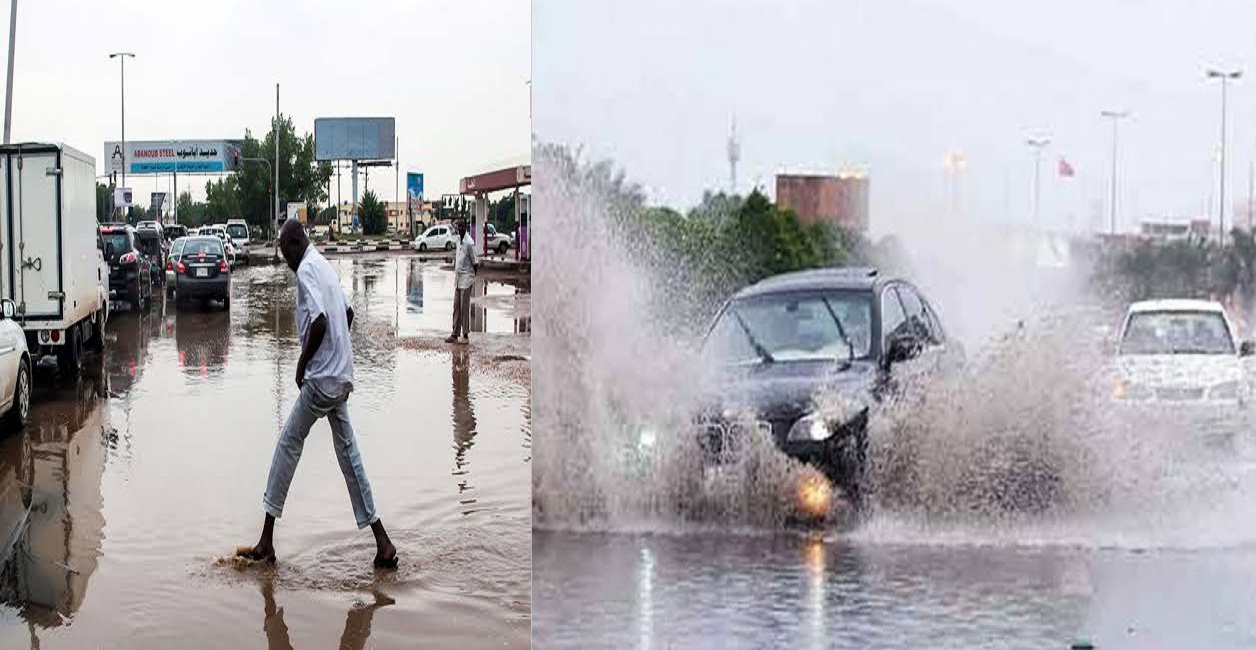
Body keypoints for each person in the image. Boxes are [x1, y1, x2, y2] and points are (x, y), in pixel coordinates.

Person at [239, 218, 398, 569]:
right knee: (349, 456)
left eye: (284, 252)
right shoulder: (323, 265)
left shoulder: (307, 270)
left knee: (287, 445)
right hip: (339, 378)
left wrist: (303, 364)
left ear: (295, 244)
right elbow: (349, 312)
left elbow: (322, 321)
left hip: (320, 381)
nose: (284, 260)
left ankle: (266, 542)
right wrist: (338, 356)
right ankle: (382, 541)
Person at [446, 219, 479, 344]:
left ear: (466, 227)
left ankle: (465, 335)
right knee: (456, 307)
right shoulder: (459, 240)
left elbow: (475, 263)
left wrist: (471, 278)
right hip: (458, 279)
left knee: (464, 308)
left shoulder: (469, 243)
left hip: (466, 279)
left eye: (461, 226)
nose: (459, 228)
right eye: (458, 226)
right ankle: (455, 334)